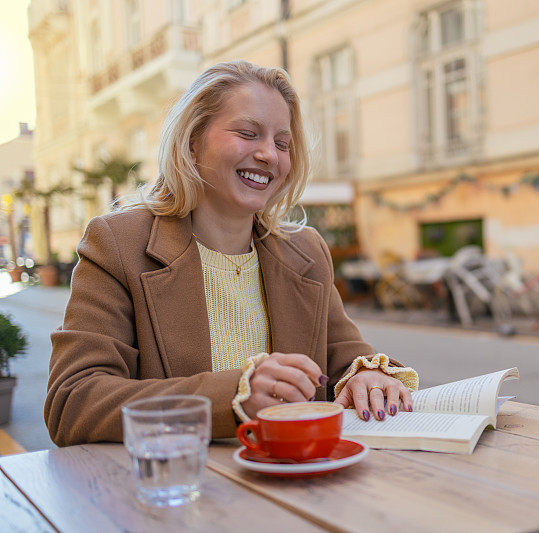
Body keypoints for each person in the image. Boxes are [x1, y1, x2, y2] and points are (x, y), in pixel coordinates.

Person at [45, 61, 418, 447]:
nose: (269, 155)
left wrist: (366, 379)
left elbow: (347, 362)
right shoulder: (119, 243)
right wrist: (234, 396)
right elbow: (73, 402)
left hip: (299, 487)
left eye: (282, 143)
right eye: (247, 133)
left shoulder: (306, 251)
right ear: (192, 140)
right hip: (182, 493)